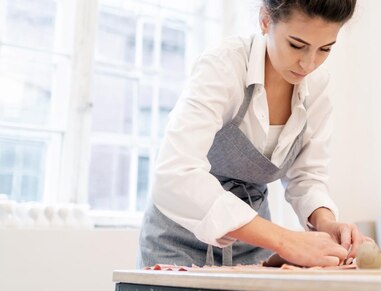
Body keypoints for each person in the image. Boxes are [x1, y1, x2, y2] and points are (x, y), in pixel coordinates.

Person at [137, 0, 364, 269]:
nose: (308, 63)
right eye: (296, 45)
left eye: (325, 49)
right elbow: (175, 173)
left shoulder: (317, 85)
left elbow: (306, 177)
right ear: (266, 20)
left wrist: (326, 223)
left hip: (254, 245)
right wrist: (286, 241)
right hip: (177, 240)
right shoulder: (224, 66)